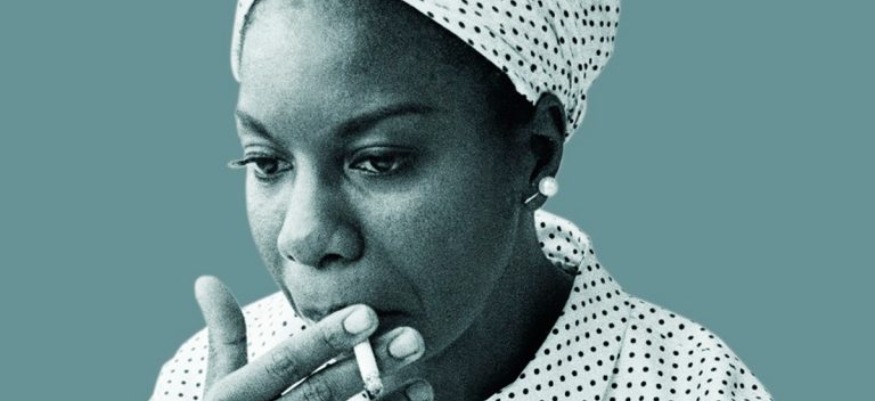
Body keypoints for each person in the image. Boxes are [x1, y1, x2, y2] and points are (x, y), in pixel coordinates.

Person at [150, 1, 773, 400]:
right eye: (266, 163)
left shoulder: (693, 386)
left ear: (537, 153)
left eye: (379, 160)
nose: (303, 237)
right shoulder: (207, 384)